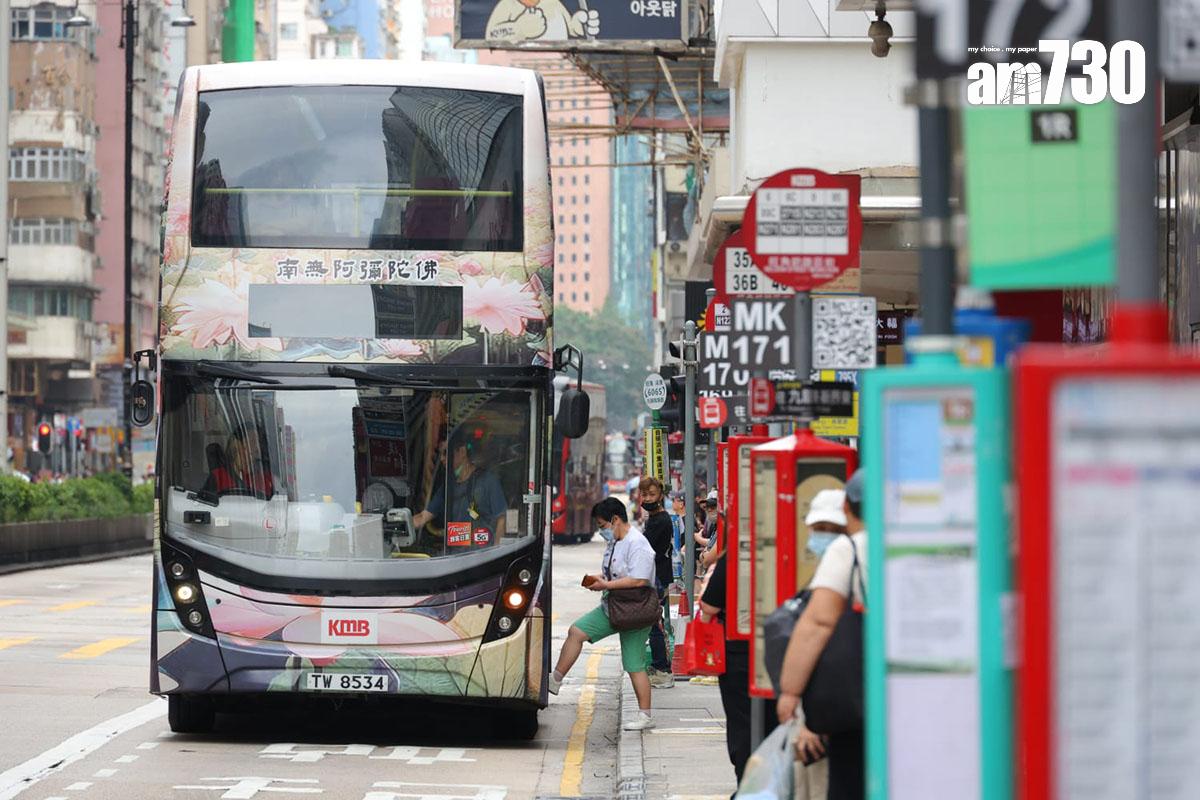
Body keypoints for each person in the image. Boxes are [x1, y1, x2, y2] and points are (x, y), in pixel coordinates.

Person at [777, 469, 868, 800]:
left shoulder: (851, 549)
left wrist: (790, 693)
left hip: (855, 701)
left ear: (848, 509)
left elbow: (818, 622)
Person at [548, 497, 658, 731]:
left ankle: (645, 715)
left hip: (634, 611)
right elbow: (617, 572)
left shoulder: (637, 543)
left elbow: (639, 579)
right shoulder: (616, 541)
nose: (602, 532)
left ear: (615, 520)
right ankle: (555, 679)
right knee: (576, 631)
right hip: (613, 607)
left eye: (602, 526)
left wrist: (606, 586)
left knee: (634, 664)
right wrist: (601, 578)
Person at [699, 550, 779, 789]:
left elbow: (709, 606)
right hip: (782, 647)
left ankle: (750, 787)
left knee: (744, 728)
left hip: (740, 652)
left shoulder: (738, 552)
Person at [412, 428, 507, 546]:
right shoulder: (448, 486)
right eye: (440, 454)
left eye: (446, 453)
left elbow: (502, 519)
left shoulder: (488, 481)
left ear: (462, 452)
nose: (442, 459)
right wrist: (399, 524)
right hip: (456, 557)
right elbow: (423, 517)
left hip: (482, 555)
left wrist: (495, 553)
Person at [638, 476, 675, 689]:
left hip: (658, 578)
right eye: (645, 494)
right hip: (656, 576)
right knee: (653, 622)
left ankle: (662, 670)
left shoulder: (660, 520)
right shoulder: (654, 518)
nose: (648, 498)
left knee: (655, 624)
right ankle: (659, 667)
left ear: (660, 495)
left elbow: (647, 549)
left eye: (652, 494)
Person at [205, 430, 274, 497]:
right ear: (236, 445)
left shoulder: (259, 479)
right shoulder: (218, 476)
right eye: (252, 442)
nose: (256, 448)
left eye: (258, 443)